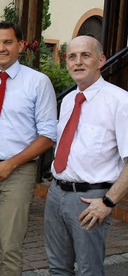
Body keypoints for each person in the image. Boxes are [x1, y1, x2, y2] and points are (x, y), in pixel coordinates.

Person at [0, 22, 58, 275]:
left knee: (11, 247)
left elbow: (48, 135)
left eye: (7, 42)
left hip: (18, 173)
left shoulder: (38, 82)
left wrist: (11, 163)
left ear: (20, 45)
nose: (1, 48)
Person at [44, 35, 128, 275]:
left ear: (101, 60)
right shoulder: (70, 99)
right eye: (72, 56)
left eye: (85, 55)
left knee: (89, 270)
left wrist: (108, 202)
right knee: (58, 268)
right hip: (56, 193)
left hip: (90, 200)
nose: (77, 62)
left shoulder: (120, 102)